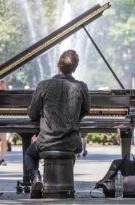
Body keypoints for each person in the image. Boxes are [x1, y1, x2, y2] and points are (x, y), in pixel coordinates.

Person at [25, 50, 90, 198]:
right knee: (70, 152)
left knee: (29, 154)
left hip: (46, 140)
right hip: (70, 141)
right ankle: (64, 184)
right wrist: (73, 119)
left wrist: (33, 112)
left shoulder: (43, 85)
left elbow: (33, 113)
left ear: (58, 65)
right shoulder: (81, 87)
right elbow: (86, 109)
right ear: (75, 68)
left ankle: (35, 177)